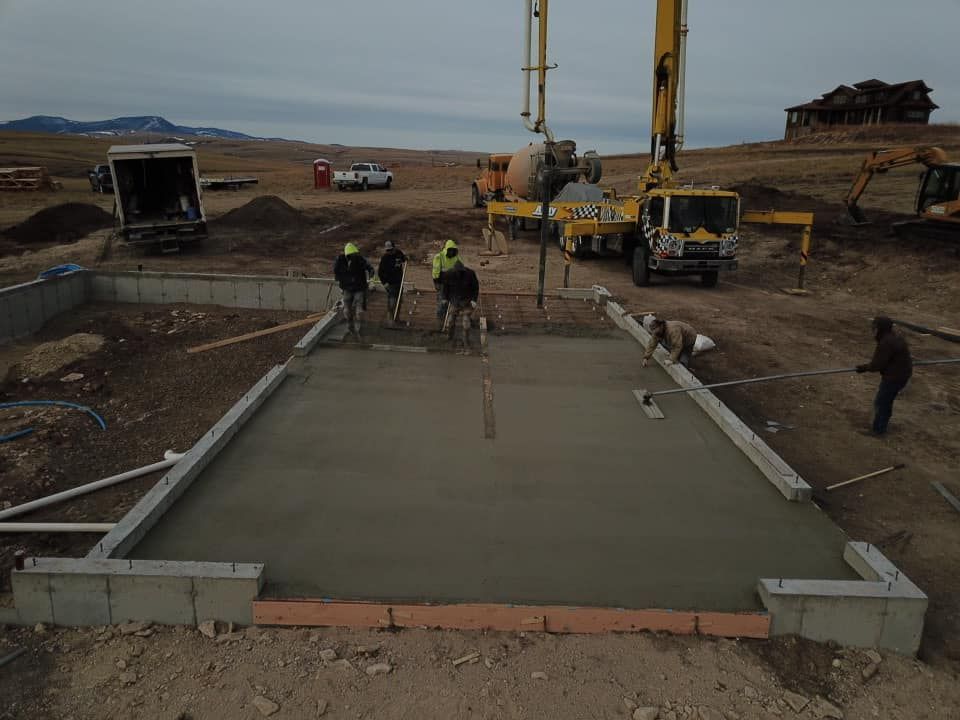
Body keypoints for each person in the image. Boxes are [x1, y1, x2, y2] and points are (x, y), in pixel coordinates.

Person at [856, 315, 912, 436]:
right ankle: (882, 424)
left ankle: (878, 430)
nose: (873, 330)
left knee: (881, 402)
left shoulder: (886, 343)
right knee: (886, 402)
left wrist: (864, 368)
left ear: (880, 329)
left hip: (894, 377)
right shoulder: (894, 337)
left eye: (874, 327)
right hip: (902, 375)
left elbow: (877, 364)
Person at [333, 242, 374, 339]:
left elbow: (370, 269)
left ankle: (360, 329)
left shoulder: (360, 259)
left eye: (354, 255)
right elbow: (336, 272)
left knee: (359, 311)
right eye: (351, 256)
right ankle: (350, 326)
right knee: (347, 310)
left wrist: (371, 279)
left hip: (359, 287)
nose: (353, 257)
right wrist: (340, 284)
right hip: (347, 288)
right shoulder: (340, 260)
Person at [439, 261, 480, 353]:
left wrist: (474, 300)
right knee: (450, 320)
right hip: (455, 301)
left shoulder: (470, 274)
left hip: (467, 301)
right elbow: (445, 287)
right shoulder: (449, 274)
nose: (459, 273)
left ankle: (466, 340)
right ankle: (449, 336)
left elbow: (475, 287)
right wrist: (445, 298)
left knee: (466, 322)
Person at [431, 239, 461, 330]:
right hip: (442, 284)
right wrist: (436, 282)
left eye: (453, 250)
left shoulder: (456, 258)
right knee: (442, 303)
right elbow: (435, 271)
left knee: (453, 304)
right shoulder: (439, 257)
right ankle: (440, 324)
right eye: (450, 250)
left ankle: (450, 325)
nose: (452, 251)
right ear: (447, 249)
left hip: (453, 284)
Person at [377, 240, 407, 325]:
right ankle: (390, 320)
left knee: (399, 301)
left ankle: (397, 319)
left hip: (399, 282)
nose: (389, 252)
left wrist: (406, 258)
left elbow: (404, 258)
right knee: (392, 302)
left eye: (391, 250)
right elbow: (380, 272)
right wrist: (384, 283)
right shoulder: (385, 258)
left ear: (394, 248)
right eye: (388, 250)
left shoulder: (398, 253)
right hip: (390, 283)